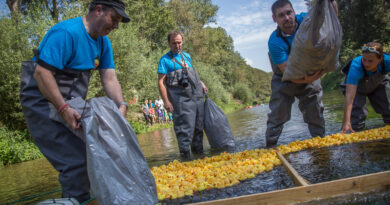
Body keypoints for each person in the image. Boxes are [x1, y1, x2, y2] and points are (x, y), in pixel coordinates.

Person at [19, 0, 130, 203]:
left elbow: (109, 78)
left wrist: (121, 105)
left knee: (98, 153)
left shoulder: (103, 43)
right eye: (114, 19)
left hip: (72, 101)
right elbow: (42, 73)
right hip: (42, 102)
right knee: (76, 162)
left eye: (119, 22)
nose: (115, 26)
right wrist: (62, 108)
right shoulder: (66, 33)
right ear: (98, 10)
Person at [265, 0, 338, 147]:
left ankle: (321, 148)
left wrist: (332, 3)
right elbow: (289, 74)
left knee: (315, 113)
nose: (286, 18)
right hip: (285, 79)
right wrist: (311, 78)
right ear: (275, 19)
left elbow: (332, 18)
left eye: (288, 12)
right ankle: (270, 147)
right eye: (281, 15)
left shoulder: (307, 19)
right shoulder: (274, 42)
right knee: (277, 116)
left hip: (310, 74)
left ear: (294, 12)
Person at [157, 30, 208, 161]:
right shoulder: (164, 60)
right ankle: (186, 160)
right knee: (184, 130)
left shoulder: (187, 56)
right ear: (169, 43)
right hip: (180, 101)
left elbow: (193, 74)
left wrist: (201, 83)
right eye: (174, 43)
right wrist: (166, 102)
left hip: (196, 97)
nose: (177, 45)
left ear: (182, 42)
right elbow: (161, 82)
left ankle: (199, 158)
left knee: (198, 128)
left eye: (179, 42)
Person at [341, 42, 390, 133]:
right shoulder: (356, 66)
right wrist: (346, 121)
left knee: (388, 108)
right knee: (358, 117)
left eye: (370, 61)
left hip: (379, 83)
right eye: (364, 60)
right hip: (356, 87)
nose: (366, 64)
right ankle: (357, 136)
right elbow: (350, 98)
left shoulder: (388, 61)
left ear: (380, 59)